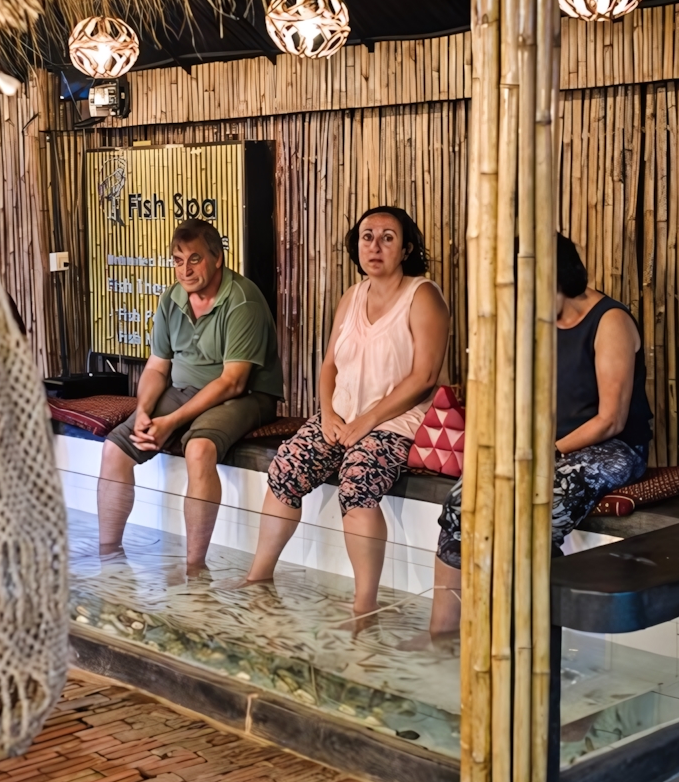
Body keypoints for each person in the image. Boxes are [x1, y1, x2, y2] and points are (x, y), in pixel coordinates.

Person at [429, 233, 653, 636]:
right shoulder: (535, 322)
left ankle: (528, 645)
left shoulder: (610, 321)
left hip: (611, 448)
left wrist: (546, 451)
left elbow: (610, 419)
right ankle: (443, 636)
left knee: (538, 513)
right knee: (461, 506)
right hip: (545, 446)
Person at [243, 206, 450, 615]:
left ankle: (363, 606)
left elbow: (425, 377)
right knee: (287, 466)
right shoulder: (352, 296)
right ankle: (258, 576)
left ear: (406, 248)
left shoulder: (423, 295)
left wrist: (367, 421)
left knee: (358, 478)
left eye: (387, 237)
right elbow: (329, 365)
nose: (375, 245)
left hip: (398, 422)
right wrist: (329, 415)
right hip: (342, 417)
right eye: (366, 236)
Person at [97, 218, 284, 568]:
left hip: (245, 397)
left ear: (217, 259)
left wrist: (171, 422)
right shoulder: (172, 298)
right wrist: (143, 411)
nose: (185, 270)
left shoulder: (243, 300)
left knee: (198, 448)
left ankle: (194, 569)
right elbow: (156, 367)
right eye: (178, 260)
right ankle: (108, 555)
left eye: (194, 259)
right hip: (182, 390)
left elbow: (234, 382)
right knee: (114, 449)